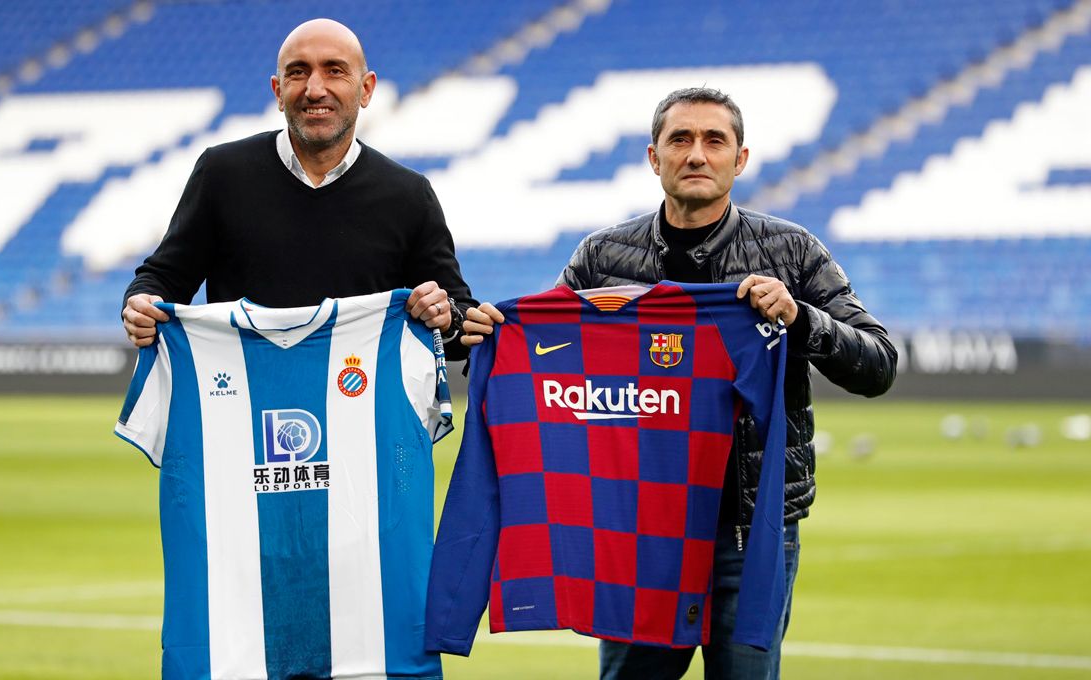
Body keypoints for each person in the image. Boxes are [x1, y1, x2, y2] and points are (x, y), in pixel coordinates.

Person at [461, 87, 897, 679]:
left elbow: (879, 364)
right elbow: (544, 346)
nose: (696, 154)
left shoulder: (792, 252)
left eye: (714, 141)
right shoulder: (602, 256)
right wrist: (492, 335)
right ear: (653, 156)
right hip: (635, 529)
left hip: (745, 532)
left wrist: (803, 319)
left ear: (739, 159)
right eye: (680, 140)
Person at [121, 18, 473, 352]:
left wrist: (446, 318)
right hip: (243, 406)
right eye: (298, 72)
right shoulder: (222, 173)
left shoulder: (408, 195)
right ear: (277, 91)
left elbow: (460, 327)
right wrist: (142, 302)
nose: (314, 89)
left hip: (358, 407)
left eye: (334, 70)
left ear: (366, 89)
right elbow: (164, 278)